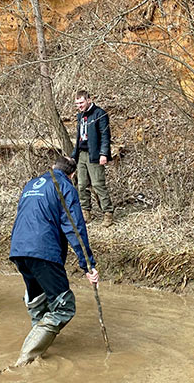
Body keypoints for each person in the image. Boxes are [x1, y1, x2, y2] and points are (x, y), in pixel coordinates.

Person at [9, 155, 100, 366]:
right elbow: (75, 228)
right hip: (43, 251)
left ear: (52, 167)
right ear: (73, 174)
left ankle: (39, 353)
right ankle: (25, 361)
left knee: (38, 300)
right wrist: (88, 265)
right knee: (64, 306)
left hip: (19, 249)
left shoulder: (31, 184)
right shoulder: (64, 187)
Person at [72, 90, 115, 227]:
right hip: (82, 154)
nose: (79, 106)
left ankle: (108, 213)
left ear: (89, 100)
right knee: (82, 184)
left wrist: (104, 153)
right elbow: (79, 137)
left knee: (98, 184)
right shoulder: (80, 116)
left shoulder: (99, 114)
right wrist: (74, 156)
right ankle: (86, 212)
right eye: (77, 103)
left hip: (95, 153)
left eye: (82, 102)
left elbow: (105, 135)